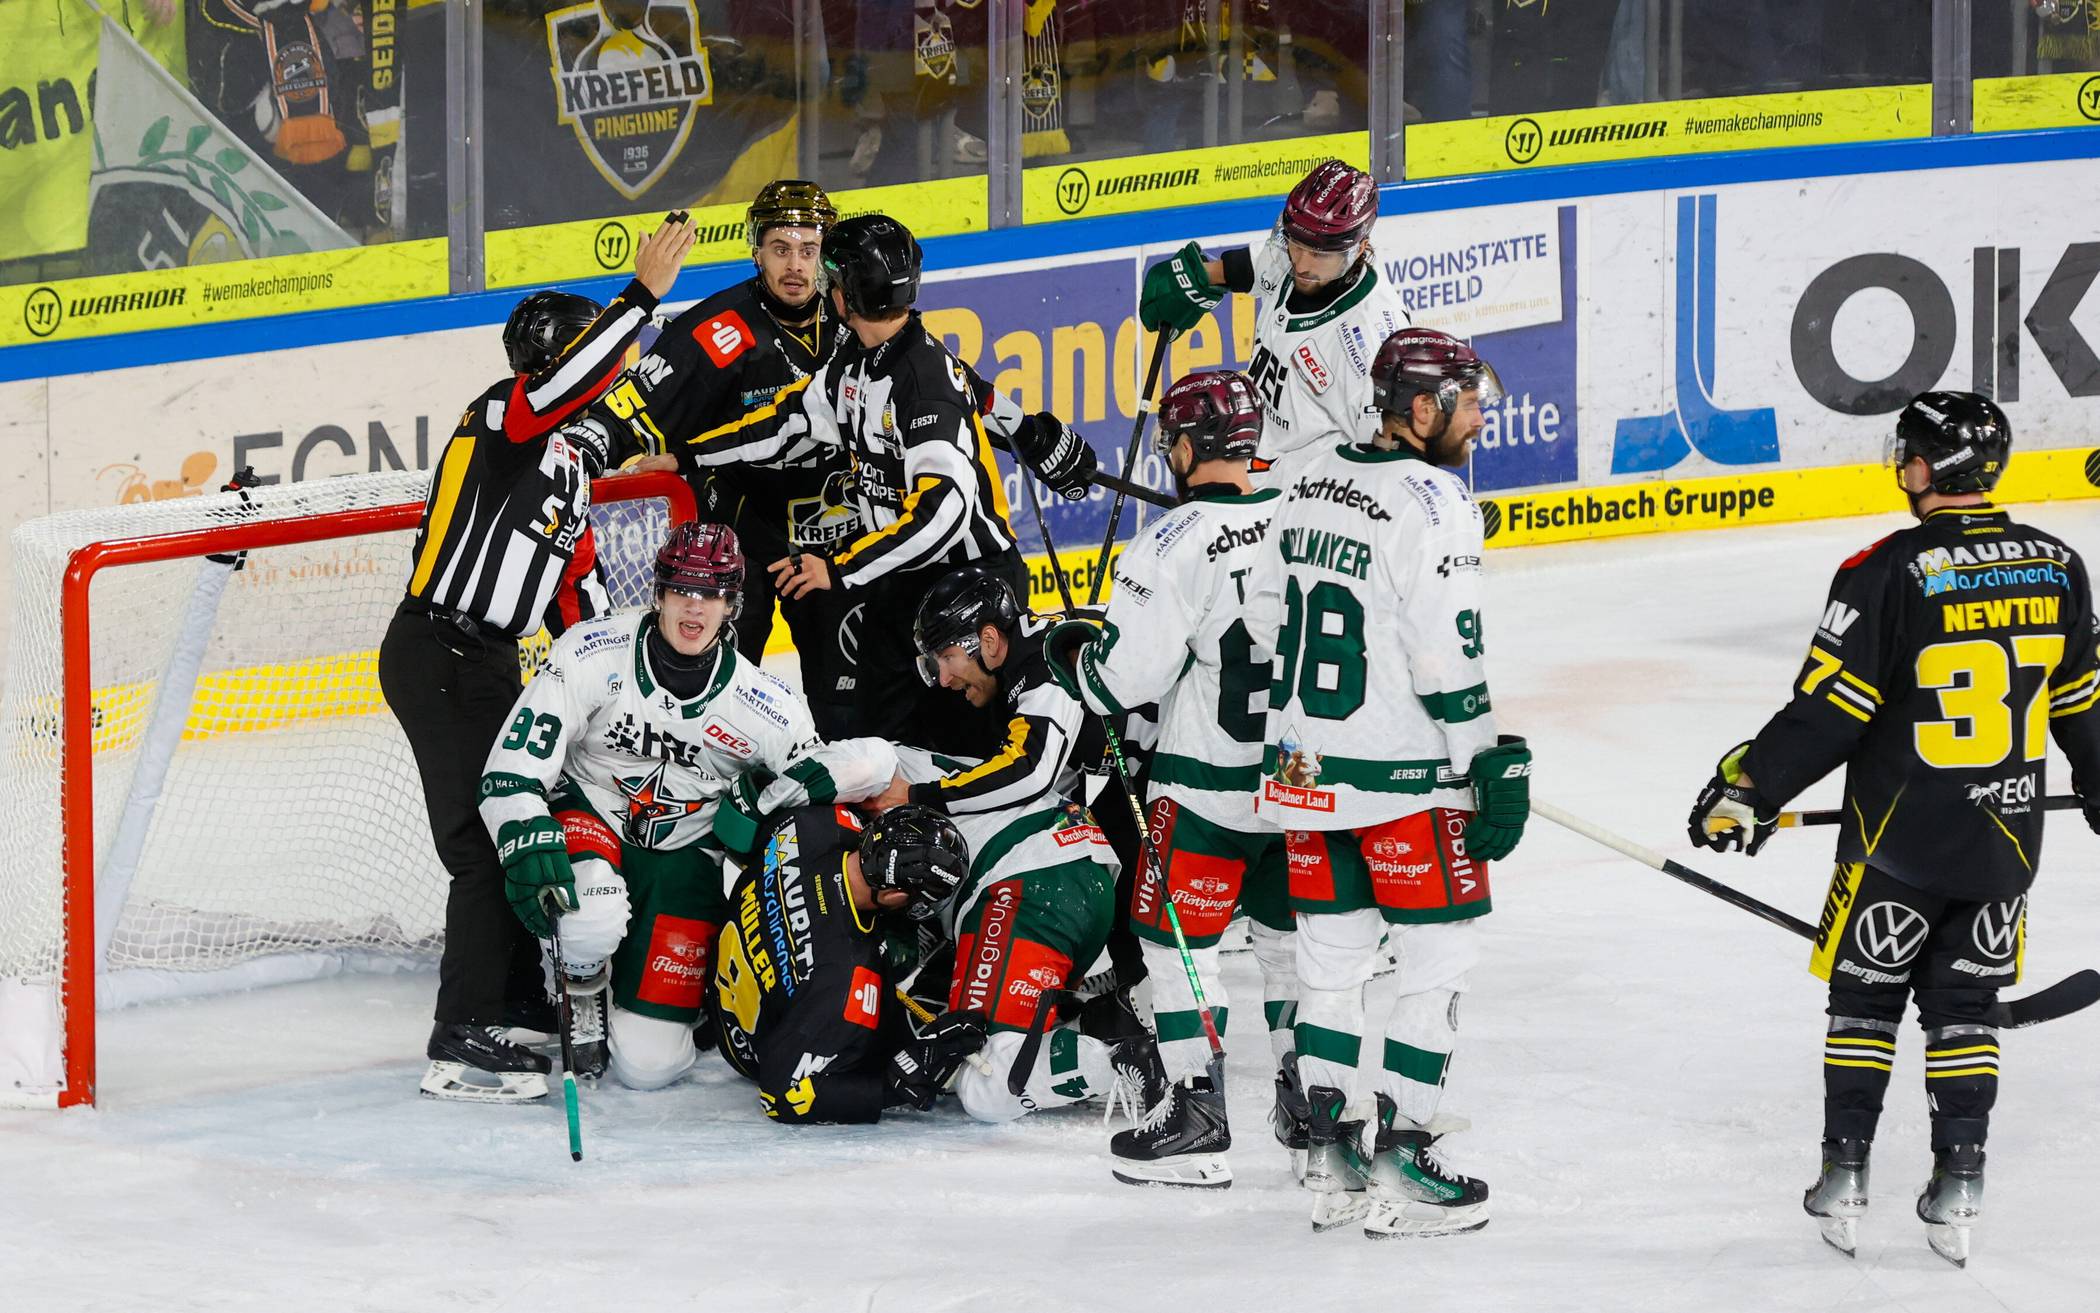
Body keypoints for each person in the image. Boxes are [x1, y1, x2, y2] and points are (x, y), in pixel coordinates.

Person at [1686, 391, 2100, 1266]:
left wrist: (1750, 788)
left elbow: (1830, 713)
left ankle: (1845, 1174)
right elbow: (2082, 707)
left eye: (1907, 453)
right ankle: (1960, 1182)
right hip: (2005, 843)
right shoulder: (2061, 564)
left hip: (1894, 844)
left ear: (1924, 467)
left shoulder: (1885, 570)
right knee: (1965, 1011)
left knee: (1865, 1003)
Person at [381, 213, 696, 1103]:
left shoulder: (565, 465)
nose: (613, 376)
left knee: (527, 814)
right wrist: (640, 298)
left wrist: (624, 689)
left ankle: (515, 996)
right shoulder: (501, 414)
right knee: (485, 845)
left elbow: (575, 599)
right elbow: (561, 395)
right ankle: (460, 1035)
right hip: (437, 649)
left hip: (484, 662)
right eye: (598, 362)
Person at [1245, 327, 1531, 1237]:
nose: (1479, 417)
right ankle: (1404, 1163)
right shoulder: (1436, 501)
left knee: (1330, 971)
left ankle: (1331, 1164)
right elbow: (1446, 654)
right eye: (1467, 401)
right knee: (1436, 965)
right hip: (1404, 783)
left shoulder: (1308, 478)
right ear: (1421, 408)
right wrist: (1484, 757)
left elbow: (1263, 614)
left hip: (1302, 775)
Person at [473, 521, 898, 1099]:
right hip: (592, 814)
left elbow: (841, 768)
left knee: (649, 1068)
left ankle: (659, 986)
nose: (695, 606)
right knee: (589, 915)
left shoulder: (763, 705)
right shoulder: (593, 650)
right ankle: (581, 982)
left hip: (684, 857)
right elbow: (513, 769)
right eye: (682, 589)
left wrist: (801, 786)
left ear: (732, 605)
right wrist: (524, 833)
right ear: (659, 593)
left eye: (712, 593)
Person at [676, 212, 1094, 752]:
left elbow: (942, 514)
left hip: (971, 587)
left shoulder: (922, 384)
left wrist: (840, 569)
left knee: (965, 749)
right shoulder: (856, 359)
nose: (822, 285)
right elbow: (788, 422)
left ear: (848, 294)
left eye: (831, 277)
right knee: (876, 740)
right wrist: (686, 455)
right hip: (902, 580)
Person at [1044, 369, 1298, 1189]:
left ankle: (1197, 1113)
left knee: (1179, 945)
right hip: (1299, 781)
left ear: (1185, 448)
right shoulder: (1302, 520)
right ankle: (1311, 1112)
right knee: (1291, 947)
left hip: (1204, 788)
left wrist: (1075, 656)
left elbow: (1123, 682)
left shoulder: (1172, 541)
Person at [879, 565, 1156, 1123]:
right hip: (1149, 770)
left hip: (1187, 773)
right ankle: (1127, 1011)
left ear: (987, 640)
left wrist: (923, 796)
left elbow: (1031, 772)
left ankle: (1152, 1036)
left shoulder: (1042, 669)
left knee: (1149, 921)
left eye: (946, 658)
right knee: (1118, 879)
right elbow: (1057, 780)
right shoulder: (1029, 662)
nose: (944, 679)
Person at [604, 181, 863, 735]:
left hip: (832, 537)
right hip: (740, 537)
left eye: (809, 250)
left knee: (847, 702)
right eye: (780, 249)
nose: (795, 265)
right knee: (722, 697)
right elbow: (632, 411)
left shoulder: (854, 315)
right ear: (756, 251)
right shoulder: (715, 328)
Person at [711, 802, 991, 1124]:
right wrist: (891, 1086)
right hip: (752, 1049)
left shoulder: (815, 821)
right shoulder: (849, 978)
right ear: (893, 895)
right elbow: (780, 1098)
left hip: (728, 977)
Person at [1136, 159, 1408, 489]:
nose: (1301, 265)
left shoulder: (1370, 343)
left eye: (1319, 255)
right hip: (1253, 478)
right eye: (1297, 245)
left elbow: (1388, 465)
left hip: (1303, 502)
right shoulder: (1291, 260)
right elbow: (1248, 269)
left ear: (1359, 248)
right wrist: (1193, 280)